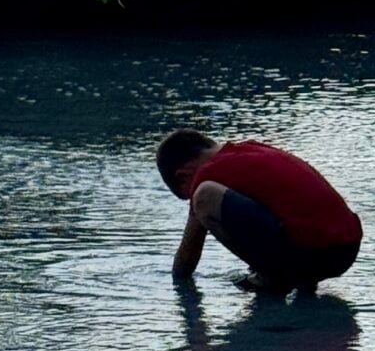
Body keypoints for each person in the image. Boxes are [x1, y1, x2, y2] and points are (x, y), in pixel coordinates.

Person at [155, 126, 362, 296]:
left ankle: (270, 277)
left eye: (186, 194)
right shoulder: (250, 150)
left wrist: (176, 283)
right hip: (345, 248)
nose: (191, 198)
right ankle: (298, 279)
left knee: (205, 196)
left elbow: (187, 257)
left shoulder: (207, 172)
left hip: (316, 252)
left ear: (183, 175)